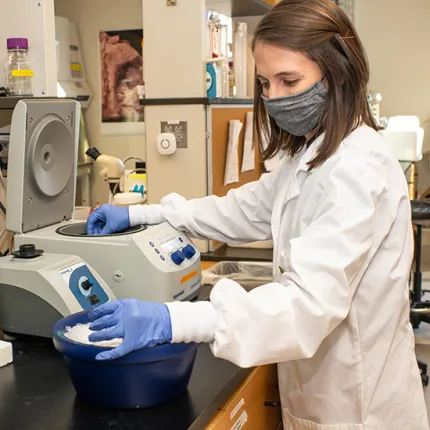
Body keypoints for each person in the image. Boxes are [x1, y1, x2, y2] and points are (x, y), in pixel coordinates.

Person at [85, 0, 429, 428]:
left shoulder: (356, 169)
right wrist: (146, 215)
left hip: (360, 405)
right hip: (324, 388)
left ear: (339, 72)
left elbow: (305, 305)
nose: (274, 98)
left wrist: (173, 320)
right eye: (266, 83)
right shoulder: (313, 150)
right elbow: (243, 208)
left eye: (289, 80)